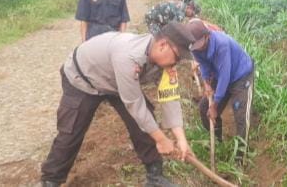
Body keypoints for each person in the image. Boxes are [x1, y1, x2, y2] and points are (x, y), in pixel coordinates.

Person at [40, 23, 196, 187]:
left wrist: (181, 139)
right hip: (83, 79)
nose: (177, 63)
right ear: (163, 45)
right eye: (177, 57)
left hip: (116, 83)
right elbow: (135, 105)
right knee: (71, 130)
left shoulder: (165, 63)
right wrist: (162, 140)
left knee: (144, 122)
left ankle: (155, 176)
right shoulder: (128, 56)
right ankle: (51, 180)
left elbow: (169, 98)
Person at [187, 19, 255, 158]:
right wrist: (207, 83)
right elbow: (203, 65)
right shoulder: (195, 47)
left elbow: (225, 76)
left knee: (241, 117)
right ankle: (218, 146)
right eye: (195, 46)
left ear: (207, 36)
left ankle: (241, 157)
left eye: (200, 44)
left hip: (240, 76)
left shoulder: (221, 44)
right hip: (219, 74)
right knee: (204, 108)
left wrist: (215, 105)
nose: (198, 48)